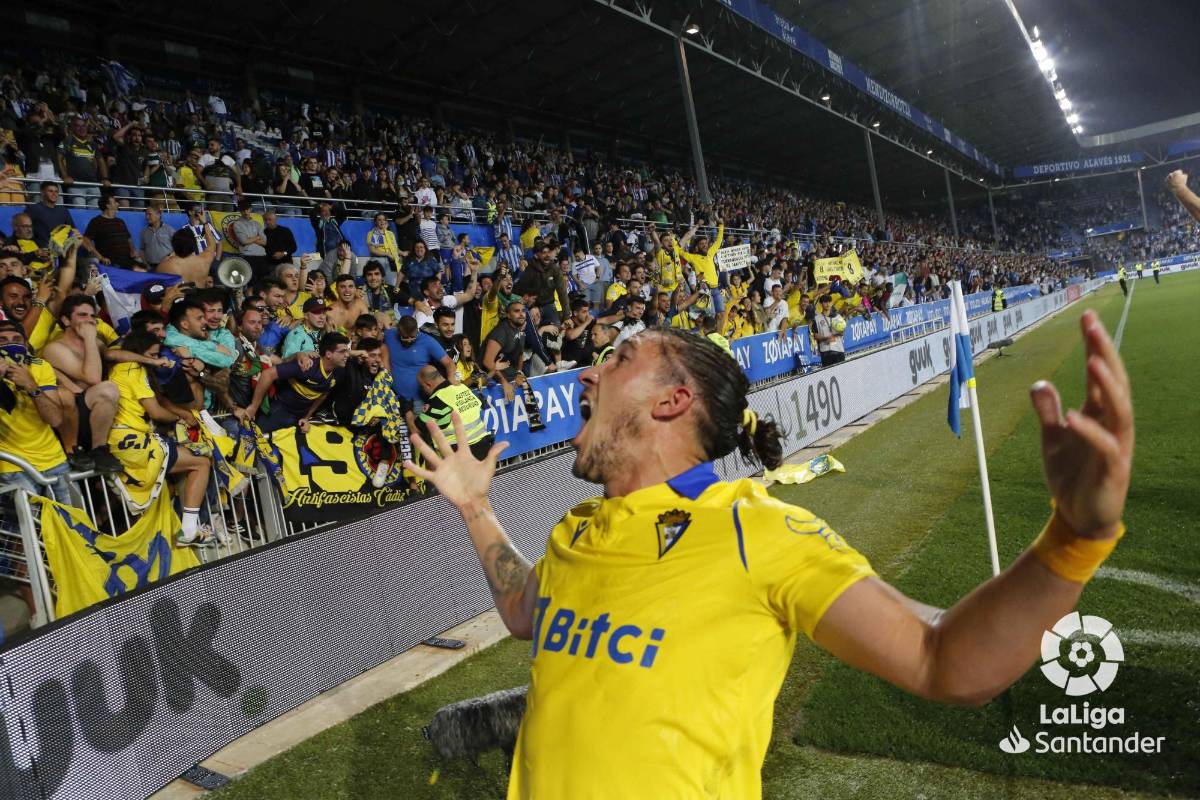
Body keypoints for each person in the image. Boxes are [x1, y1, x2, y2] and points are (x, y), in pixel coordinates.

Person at [405, 311, 1134, 799]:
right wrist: (475, 508)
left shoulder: (757, 531)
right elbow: (523, 610)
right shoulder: (577, 531)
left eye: (617, 360)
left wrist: (1074, 539)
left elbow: (944, 660)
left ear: (671, 403)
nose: (584, 375)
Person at [0, 321, 72, 505]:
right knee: (32, 522)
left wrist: (31, 385)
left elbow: (55, 419)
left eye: (16, 339)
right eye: (2, 340)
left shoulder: (40, 366)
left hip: (54, 459)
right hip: (13, 465)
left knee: (73, 519)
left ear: (25, 344)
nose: (10, 344)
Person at [238, 332, 351, 433]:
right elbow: (268, 374)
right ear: (328, 354)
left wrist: (306, 418)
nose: (347, 355)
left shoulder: (339, 372)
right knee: (255, 436)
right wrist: (253, 406)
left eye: (347, 351)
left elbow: (323, 394)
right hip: (280, 411)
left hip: (299, 418)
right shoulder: (307, 365)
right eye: (342, 352)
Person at [383, 316, 458, 434]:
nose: (409, 340)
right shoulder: (390, 335)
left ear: (417, 330)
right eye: (405, 337)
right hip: (393, 399)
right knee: (397, 439)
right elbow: (379, 317)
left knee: (420, 435)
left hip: (419, 401)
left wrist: (451, 379)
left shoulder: (427, 341)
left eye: (413, 337)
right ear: (398, 331)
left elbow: (449, 363)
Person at [416, 364, 492, 460]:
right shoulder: (461, 387)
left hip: (460, 453)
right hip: (483, 446)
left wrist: (408, 413)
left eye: (422, 387)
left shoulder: (438, 399)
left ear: (428, 384)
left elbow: (419, 426)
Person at [82, 193, 137, 267]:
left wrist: (133, 250)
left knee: (142, 269)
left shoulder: (120, 221)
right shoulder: (96, 221)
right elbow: (85, 240)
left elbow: (129, 239)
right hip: (111, 263)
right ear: (108, 205)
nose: (117, 204)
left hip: (127, 261)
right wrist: (101, 258)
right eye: (114, 202)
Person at [229, 197, 269, 281]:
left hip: (262, 255)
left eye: (247, 209)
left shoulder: (257, 224)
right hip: (247, 256)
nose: (246, 212)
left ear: (250, 209)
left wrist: (251, 239)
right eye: (243, 210)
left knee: (264, 282)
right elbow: (244, 241)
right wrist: (257, 237)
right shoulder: (237, 224)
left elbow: (265, 242)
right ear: (240, 211)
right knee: (251, 282)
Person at [812, 293, 845, 367]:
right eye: (825, 302)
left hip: (838, 350)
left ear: (831, 303)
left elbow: (842, 332)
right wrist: (825, 338)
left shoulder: (838, 317)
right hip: (826, 352)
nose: (827, 304)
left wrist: (835, 334)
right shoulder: (816, 319)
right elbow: (815, 335)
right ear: (821, 304)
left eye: (829, 302)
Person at [140, 203, 176, 269]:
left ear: (158, 215)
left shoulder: (169, 230)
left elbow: (177, 248)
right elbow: (142, 250)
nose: (147, 217)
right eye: (146, 215)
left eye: (149, 214)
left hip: (167, 266)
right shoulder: (144, 232)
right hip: (151, 268)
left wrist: (169, 257)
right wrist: (145, 264)